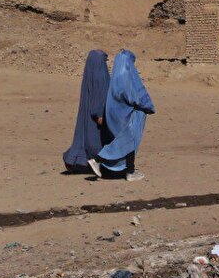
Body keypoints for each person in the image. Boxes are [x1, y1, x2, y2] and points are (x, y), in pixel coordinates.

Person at [89, 50, 154, 181]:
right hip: (126, 114)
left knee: (127, 141)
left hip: (114, 114)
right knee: (126, 139)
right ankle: (98, 159)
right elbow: (134, 95)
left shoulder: (115, 77)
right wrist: (148, 106)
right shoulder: (127, 76)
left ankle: (129, 170)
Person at [62, 50, 110, 173]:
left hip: (88, 112)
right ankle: (96, 161)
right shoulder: (100, 75)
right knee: (97, 139)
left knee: (84, 136)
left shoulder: (89, 74)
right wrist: (99, 114)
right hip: (98, 114)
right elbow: (100, 96)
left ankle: (75, 160)